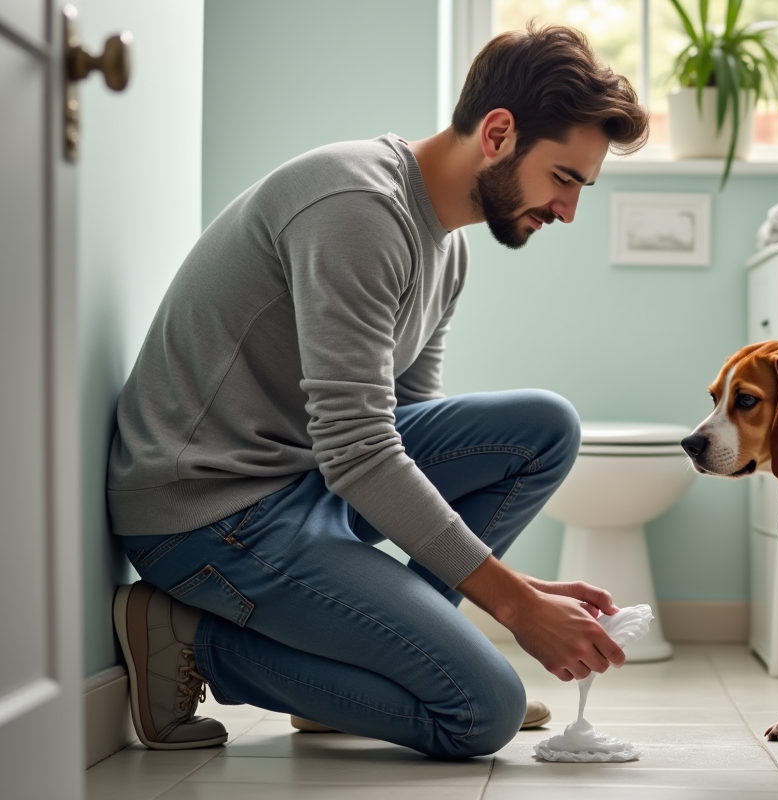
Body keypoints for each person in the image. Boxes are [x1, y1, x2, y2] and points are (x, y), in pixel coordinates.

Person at [108, 23, 649, 758]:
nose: (568, 211)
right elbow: (360, 452)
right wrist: (517, 606)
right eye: (564, 178)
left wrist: (521, 585)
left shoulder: (446, 250)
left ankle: (378, 670)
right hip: (209, 513)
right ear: (498, 133)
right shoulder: (356, 208)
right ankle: (196, 642)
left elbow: (402, 432)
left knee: (543, 428)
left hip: (299, 487)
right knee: (481, 714)